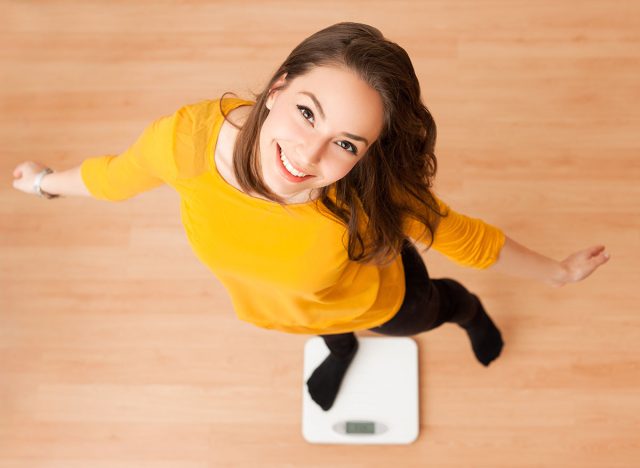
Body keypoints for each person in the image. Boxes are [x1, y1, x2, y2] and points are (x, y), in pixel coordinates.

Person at [12, 22, 610, 412]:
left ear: (367, 153)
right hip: (287, 310)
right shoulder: (185, 141)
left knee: (434, 309)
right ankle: (340, 349)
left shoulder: (375, 197)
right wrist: (43, 183)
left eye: (347, 144)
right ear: (276, 88)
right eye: (306, 112)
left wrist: (559, 273)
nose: (308, 155)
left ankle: (467, 312)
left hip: (380, 297)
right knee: (321, 325)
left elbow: (470, 239)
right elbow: (114, 178)